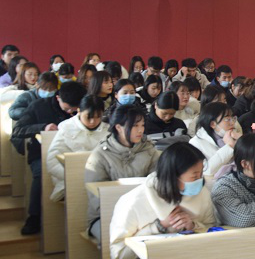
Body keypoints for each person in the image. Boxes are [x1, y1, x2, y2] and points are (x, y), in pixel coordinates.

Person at [110, 142, 216, 259]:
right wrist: (158, 227)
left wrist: (192, 226)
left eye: (201, 174)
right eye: (194, 176)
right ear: (173, 175)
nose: (200, 180)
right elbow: (120, 253)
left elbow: (212, 228)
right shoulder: (134, 201)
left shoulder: (201, 194)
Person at [12, 82, 86, 234]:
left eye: (75, 109)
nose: (71, 112)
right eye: (68, 109)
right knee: (41, 173)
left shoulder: (84, 107)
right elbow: (18, 130)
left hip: (75, 152)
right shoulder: (38, 106)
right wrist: (43, 127)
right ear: (58, 98)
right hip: (41, 152)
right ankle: (34, 218)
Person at [85, 105, 159, 241]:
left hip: (143, 213)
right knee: (117, 238)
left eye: (142, 125)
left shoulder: (149, 150)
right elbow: (96, 197)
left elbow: (157, 184)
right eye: (135, 126)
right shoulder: (100, 155)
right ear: (118, 127)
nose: (140, 130)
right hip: (105, 215)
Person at [47, 95, 108, 201]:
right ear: (79, 111)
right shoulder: (66, 128)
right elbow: (52, 160)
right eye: (88, 117)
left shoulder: (107, 131)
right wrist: (72, 176)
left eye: (98, 117)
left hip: (100, 179)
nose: (93, 121)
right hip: (70, 181)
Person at [189, 102, 241, 175]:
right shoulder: (196, 143)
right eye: (227, 119)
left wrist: (243, 141)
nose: (232, 123)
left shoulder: (234, 135)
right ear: (213, 124)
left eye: (233, 118)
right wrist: (229, 147)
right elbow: (206, 170)